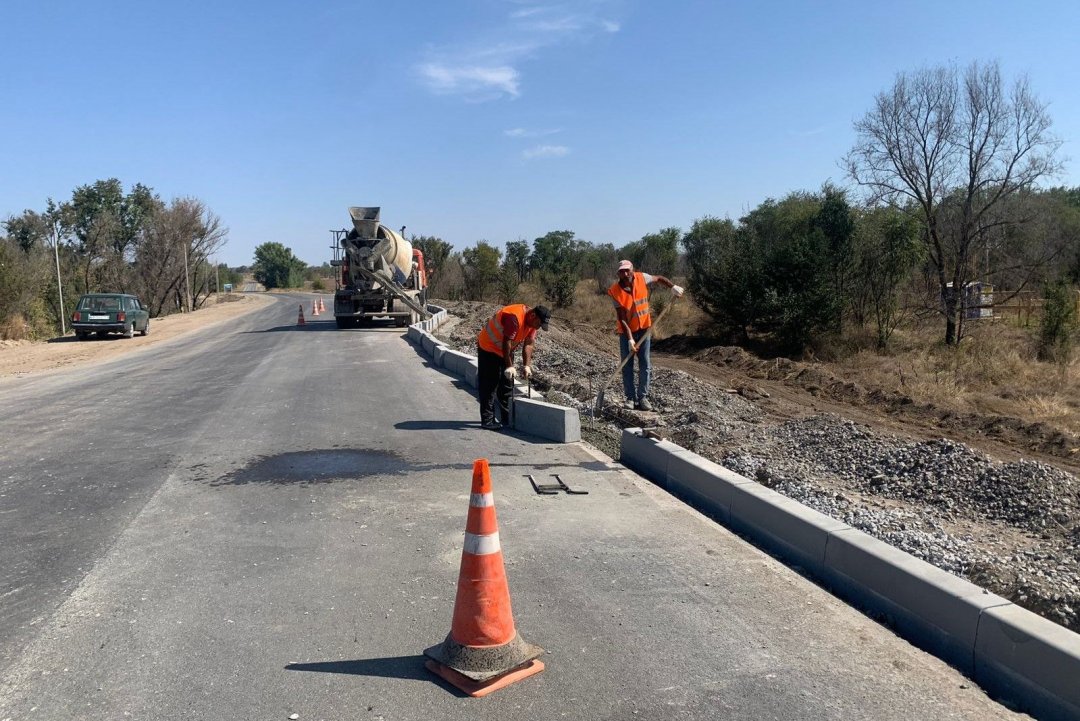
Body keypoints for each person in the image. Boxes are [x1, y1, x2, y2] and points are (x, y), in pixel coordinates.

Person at [607, 259, 683, 411]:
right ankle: (630, 398)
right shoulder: (615, 291)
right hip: (626, 332)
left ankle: (642, 397)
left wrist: (672, 286)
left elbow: (659, 278)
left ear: (632, 269)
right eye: (622, 271)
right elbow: (622, 318)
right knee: (627, 365)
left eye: (627, 270)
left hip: (645, 329)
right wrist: (629, 339)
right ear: (619, 273)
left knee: (645, 364)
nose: (625, 273)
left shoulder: (642, 278)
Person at [476, 303, 552, 430]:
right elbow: (507, 341)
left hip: (506, 350)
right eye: (539, 324)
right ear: (533, 315)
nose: (538, 328)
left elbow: (529, 344)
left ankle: (507, 419)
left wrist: (526, 365)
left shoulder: (532, 323)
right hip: (488, 348)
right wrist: (509, 366)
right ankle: (487, 420)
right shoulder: (514, 318)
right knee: (489, 384)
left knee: (507, 386)